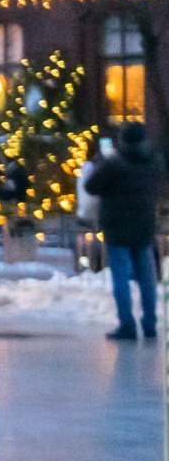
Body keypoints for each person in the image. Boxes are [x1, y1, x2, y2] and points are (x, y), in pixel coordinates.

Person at [87, 121, 162, 340]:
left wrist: (102, 164)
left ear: (123, 140)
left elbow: (91, 186)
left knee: (120, 276)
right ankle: (150, 324)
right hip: (144, 224)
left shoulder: (114, 164)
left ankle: (127, 324)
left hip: (117, 226)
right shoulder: (153, 162)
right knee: (146, 276)